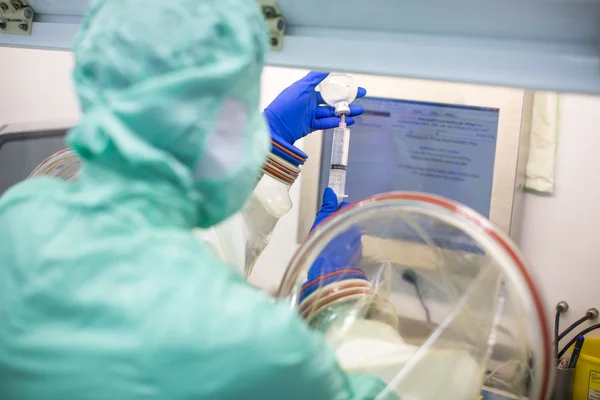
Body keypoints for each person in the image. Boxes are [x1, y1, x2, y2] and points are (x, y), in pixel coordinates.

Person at [0, 0, 398, 399]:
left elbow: (177, 263)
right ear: (224, 131)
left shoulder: (18, 220)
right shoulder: (249, 340)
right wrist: (337, 295)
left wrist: (273, 142)